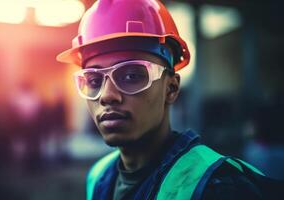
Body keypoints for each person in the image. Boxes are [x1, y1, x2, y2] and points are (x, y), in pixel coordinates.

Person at [57, 0, 282, 199]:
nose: (107, 95)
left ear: (171, 88)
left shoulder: (220, 187)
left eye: (131, 76)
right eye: (94, 81)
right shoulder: (99, 177)